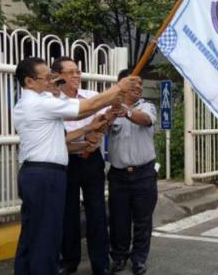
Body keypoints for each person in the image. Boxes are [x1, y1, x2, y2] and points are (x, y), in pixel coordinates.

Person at [12, 57, 138, 275]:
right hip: (45, 176)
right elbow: (86, 107)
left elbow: (76, 122)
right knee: (47, 238)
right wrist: (118, 87)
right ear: (29, 82)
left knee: (32, 235)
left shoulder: (31, 104)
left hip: (38, 173)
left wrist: (90, 127)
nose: (52, 81)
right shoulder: (41, 102)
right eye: (48, 77)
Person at [51, 57, 112, 275]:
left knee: (96, 212)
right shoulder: (54, 102)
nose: (77, 75)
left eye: (78, 71)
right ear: (58, 77)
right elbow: (61, 137)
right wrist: (86, 135)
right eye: (70, 72)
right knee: (68, 212)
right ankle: (70, 260)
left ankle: (100, 262)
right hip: (67, 160)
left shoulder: (91, 97)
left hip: (91, 160)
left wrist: (100, 130)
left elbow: (102, 121)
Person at [107, 69, 158, 275]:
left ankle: (139, 259)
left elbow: (146, 120)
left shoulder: (147, 106)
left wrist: (126, 113)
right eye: (133, 84)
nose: (138, 87)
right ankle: (119, 257)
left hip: (143, 174)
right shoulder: (109, 108)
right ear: (122, 85)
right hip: (118, 175)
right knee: (118, 220)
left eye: (140, 85)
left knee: (143, 220)